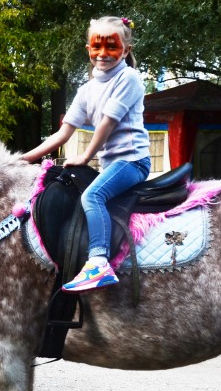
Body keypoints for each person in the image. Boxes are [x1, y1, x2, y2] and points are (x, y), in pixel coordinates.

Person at [21, 16, 151, 292]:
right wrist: (23, 159)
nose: (103, 53)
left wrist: (85, 156)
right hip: (112, 165)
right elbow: (62, 134)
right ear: (88, 48)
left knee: (93, 195)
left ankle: (99, 261)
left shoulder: (129, 78)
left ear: (125, 50)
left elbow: (107, 122)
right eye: (97, 46)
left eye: (112, 47)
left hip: (132, 161)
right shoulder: (86, 90)